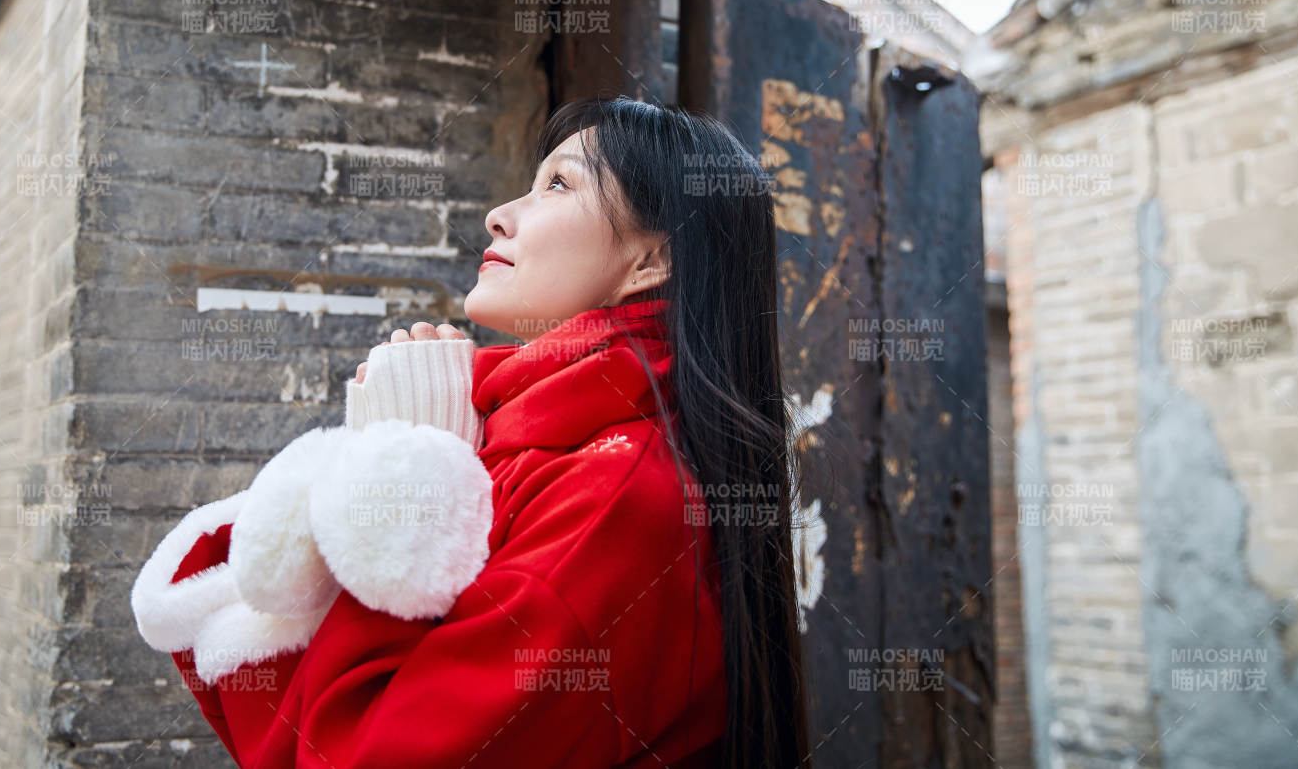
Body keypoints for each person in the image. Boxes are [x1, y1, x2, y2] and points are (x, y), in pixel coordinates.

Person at [131, 95, 812, 767]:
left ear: (649, 262)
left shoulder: (616, 497)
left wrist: (407, 487)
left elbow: (362, 754)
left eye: (558, 184)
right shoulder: (530, 437)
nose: (499, 215)